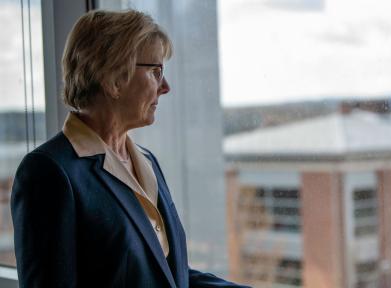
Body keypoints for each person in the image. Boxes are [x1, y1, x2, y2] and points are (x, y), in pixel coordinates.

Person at [11, 10, 250, 288]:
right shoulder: (49, 172)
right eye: (155, 71)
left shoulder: (146, 162)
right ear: (113, 79)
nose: (165, 87)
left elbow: (168, 275)